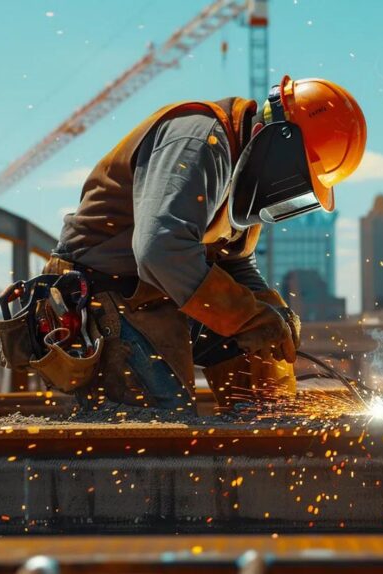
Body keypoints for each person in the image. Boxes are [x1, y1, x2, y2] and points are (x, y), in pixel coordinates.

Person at [44, 76, 366, 414]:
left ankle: (258, 439)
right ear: (273, 143)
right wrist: (248, 316)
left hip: (160, 293)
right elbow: (160, 252)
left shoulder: (246, 178)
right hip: (102, 295)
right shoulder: (198, 142)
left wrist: (271, 313)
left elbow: (236, 263)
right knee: (162, 421)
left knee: (262, 381)